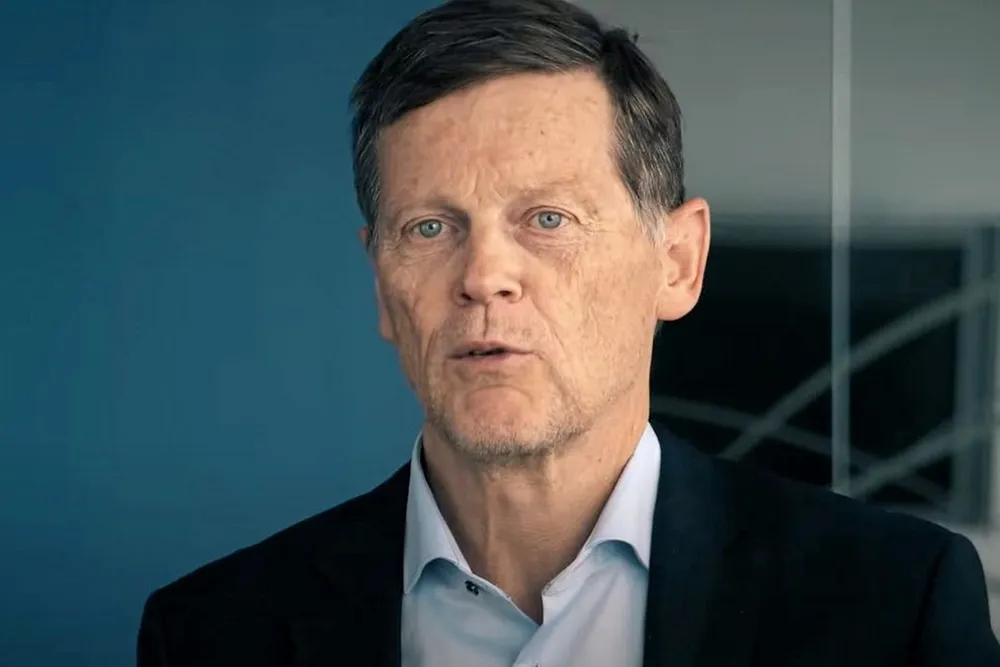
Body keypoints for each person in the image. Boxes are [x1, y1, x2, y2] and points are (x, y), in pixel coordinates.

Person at [137, 0, 1000, 665]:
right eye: (429, 228)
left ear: (678, 262)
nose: (483, 275)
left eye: (547, 218)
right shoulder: (211, 632)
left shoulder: (897, 605)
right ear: (382, 287)